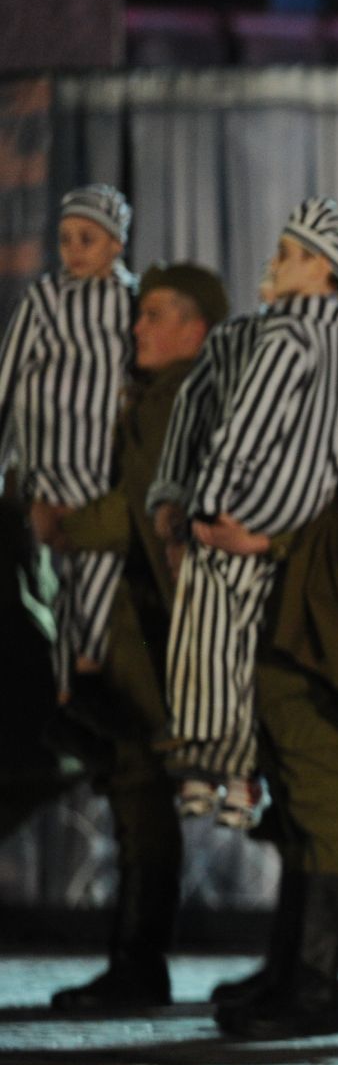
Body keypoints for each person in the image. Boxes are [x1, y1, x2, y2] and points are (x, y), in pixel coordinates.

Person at [43, 263, 229, 1010]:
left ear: (196, 330)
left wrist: (61, 523)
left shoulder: (179, 396)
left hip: (160, 633)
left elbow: (137, 509)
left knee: (147, 789)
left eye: (155, 315)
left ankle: (140, 962)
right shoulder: (157, 395)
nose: (137, 328)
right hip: (136, 628)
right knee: (135, 787)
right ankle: (136, 959)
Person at [163, 197, 338, 831]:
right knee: (244, 648)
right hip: (297, 522)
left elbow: (249, 424)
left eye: (286, 253)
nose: (275, 263)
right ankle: (236, 778)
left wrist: (207, 504)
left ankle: (217, 769)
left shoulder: (288, 331)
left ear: (316, 264)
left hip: (242, 511)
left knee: (208, 644)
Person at [2, 185, 139, 745]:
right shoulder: (44, 301)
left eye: (87, 239)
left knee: (102, 587)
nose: (74, 251)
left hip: (107, 478)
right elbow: (7, 380)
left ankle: (94, 693)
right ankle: (69, 700)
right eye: (65, 240)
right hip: (52, 469)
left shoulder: (134, 303)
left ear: (116, 242)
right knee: (63, 589)